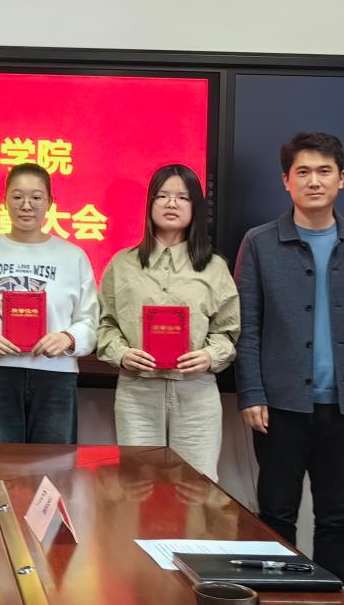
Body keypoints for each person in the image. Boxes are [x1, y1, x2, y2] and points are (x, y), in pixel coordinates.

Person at [234, 131, 344, 584]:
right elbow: (246, 325)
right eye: (302, 172)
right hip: (280, 405)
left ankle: (331, 595)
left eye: (324, 171)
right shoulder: (260, 242)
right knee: (276, 514)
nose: (314, 181)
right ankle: (276, 595)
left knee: (337, 516)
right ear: (286, 181)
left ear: (342, 178)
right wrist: (251, 393)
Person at [96, 164, 239, 481]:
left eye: (182, 197)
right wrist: (121, 353)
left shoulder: (214, 267)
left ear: (195, 207)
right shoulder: (122, 264)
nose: (171, 203)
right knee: (138, 487)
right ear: (150, 204)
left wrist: (209, 355)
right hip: (137, 392)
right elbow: (104, 324)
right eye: (162, 196)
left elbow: (227, 332)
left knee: (197, 488)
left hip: (196, 393)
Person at [0, 162, 98, 444]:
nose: (26, 205)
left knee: (54, 464)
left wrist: (68, 338)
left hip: (55, 375)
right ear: (5, 200)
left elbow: (90, 320)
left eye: (36, 197)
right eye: (18, 196)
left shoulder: (73, 256)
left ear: (50, 202)